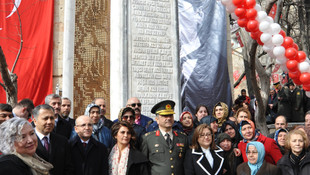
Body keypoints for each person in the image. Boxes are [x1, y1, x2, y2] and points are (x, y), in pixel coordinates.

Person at [141, 100, 188, 175]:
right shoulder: (148, 139)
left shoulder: (182, 137)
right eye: (165, 116)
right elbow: (144, 165)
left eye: (170, 115)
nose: (168, 118)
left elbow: (186, 163)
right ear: (157, 119)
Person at [33, 104, 74, 175]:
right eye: (45, 118)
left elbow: (68, 167)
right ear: (35, 121)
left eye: (52, 118)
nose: (49, 122)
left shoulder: (62, 141)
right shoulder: (28, 141)